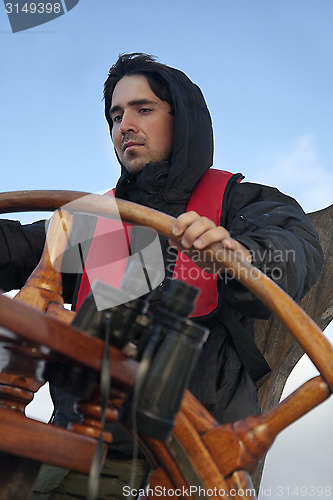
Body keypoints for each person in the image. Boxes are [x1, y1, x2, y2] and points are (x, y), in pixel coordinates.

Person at [0, 53, 323, 498]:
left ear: (183, 119)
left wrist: (239, 254)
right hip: (79, 453)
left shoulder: (239, 201)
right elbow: (13, 249)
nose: (124, 125)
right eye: (116, 116)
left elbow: (297, 254)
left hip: (191, 464)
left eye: (143, 109)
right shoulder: (93, 221)